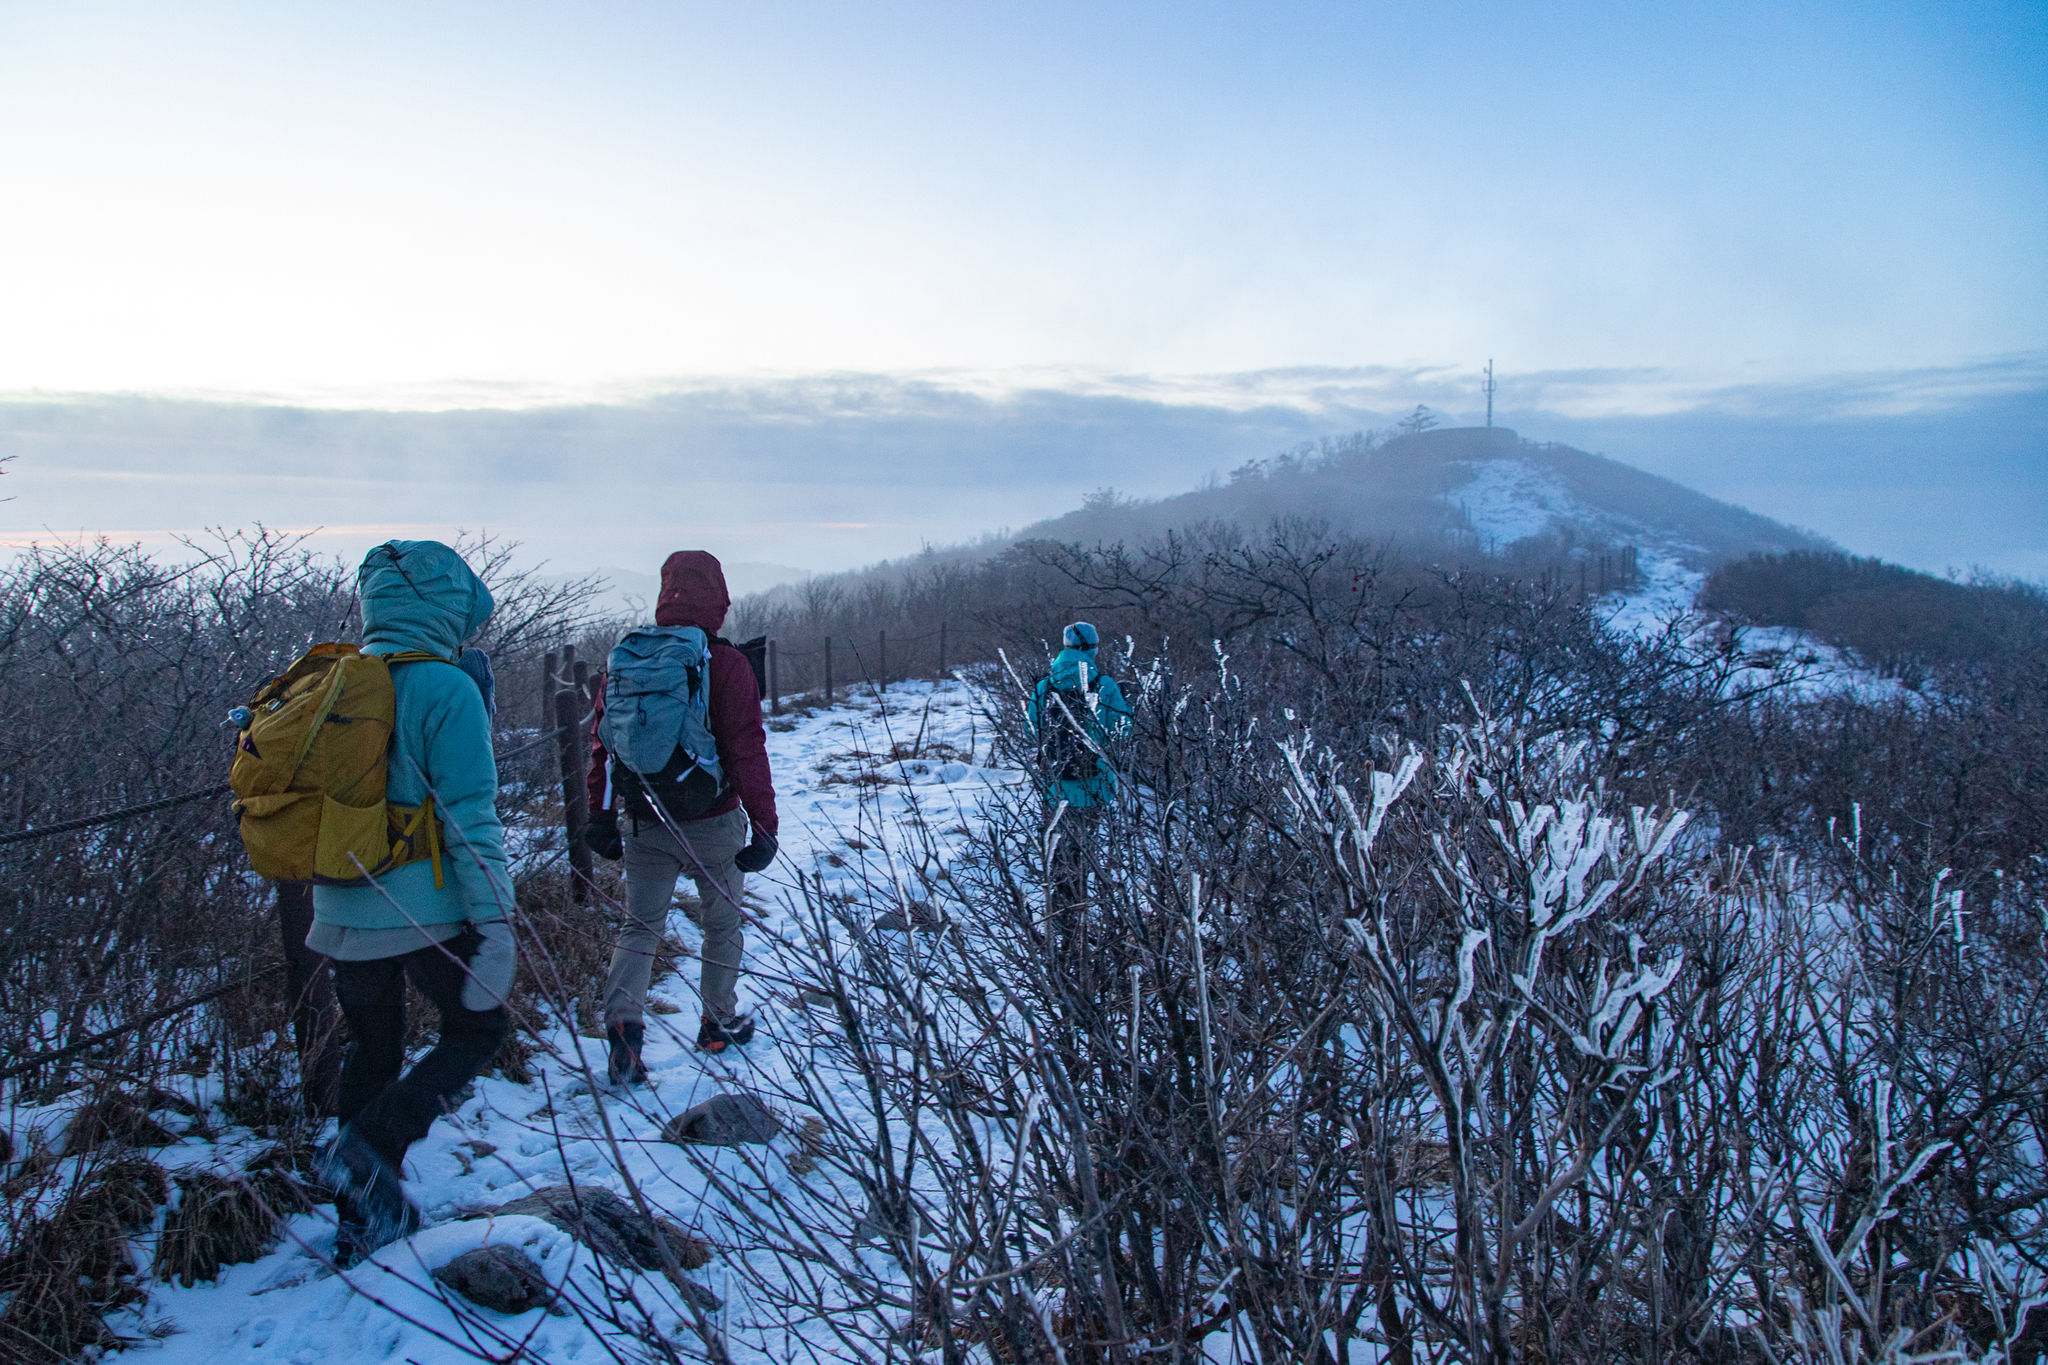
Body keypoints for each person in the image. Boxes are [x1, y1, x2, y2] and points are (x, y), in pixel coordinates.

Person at [311, 541, 515, 1259]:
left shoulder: (334, 680)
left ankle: (360, 1219)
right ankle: (369, 1148)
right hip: (420, 910)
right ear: (446, 606)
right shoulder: (445, 689)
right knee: (479, 1031)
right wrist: (496, 922)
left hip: (340, 907)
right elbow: (471, 819)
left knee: (373, 1050)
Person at [583, 551, 779, 1079]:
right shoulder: (727, 663)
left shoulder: (626, 659)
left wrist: (600, 815)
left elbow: (603, 745)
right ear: (719, 598)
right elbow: (746, 750)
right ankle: (718, 1023)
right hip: (713, 820)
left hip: (644, 819)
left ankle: (624, 1034)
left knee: (639, 927)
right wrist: (764, 826)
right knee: (723, 924)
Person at [1027, 622, 1132, 918]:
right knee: (1085, 852)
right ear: (1089, 648)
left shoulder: (1044, 686)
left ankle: (1061, 915)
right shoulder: (1104, 685)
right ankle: (1080, 914)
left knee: (1059, 852)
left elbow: (1031, 728)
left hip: (1055, 786)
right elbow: (1122, 729)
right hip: (1094, 785)